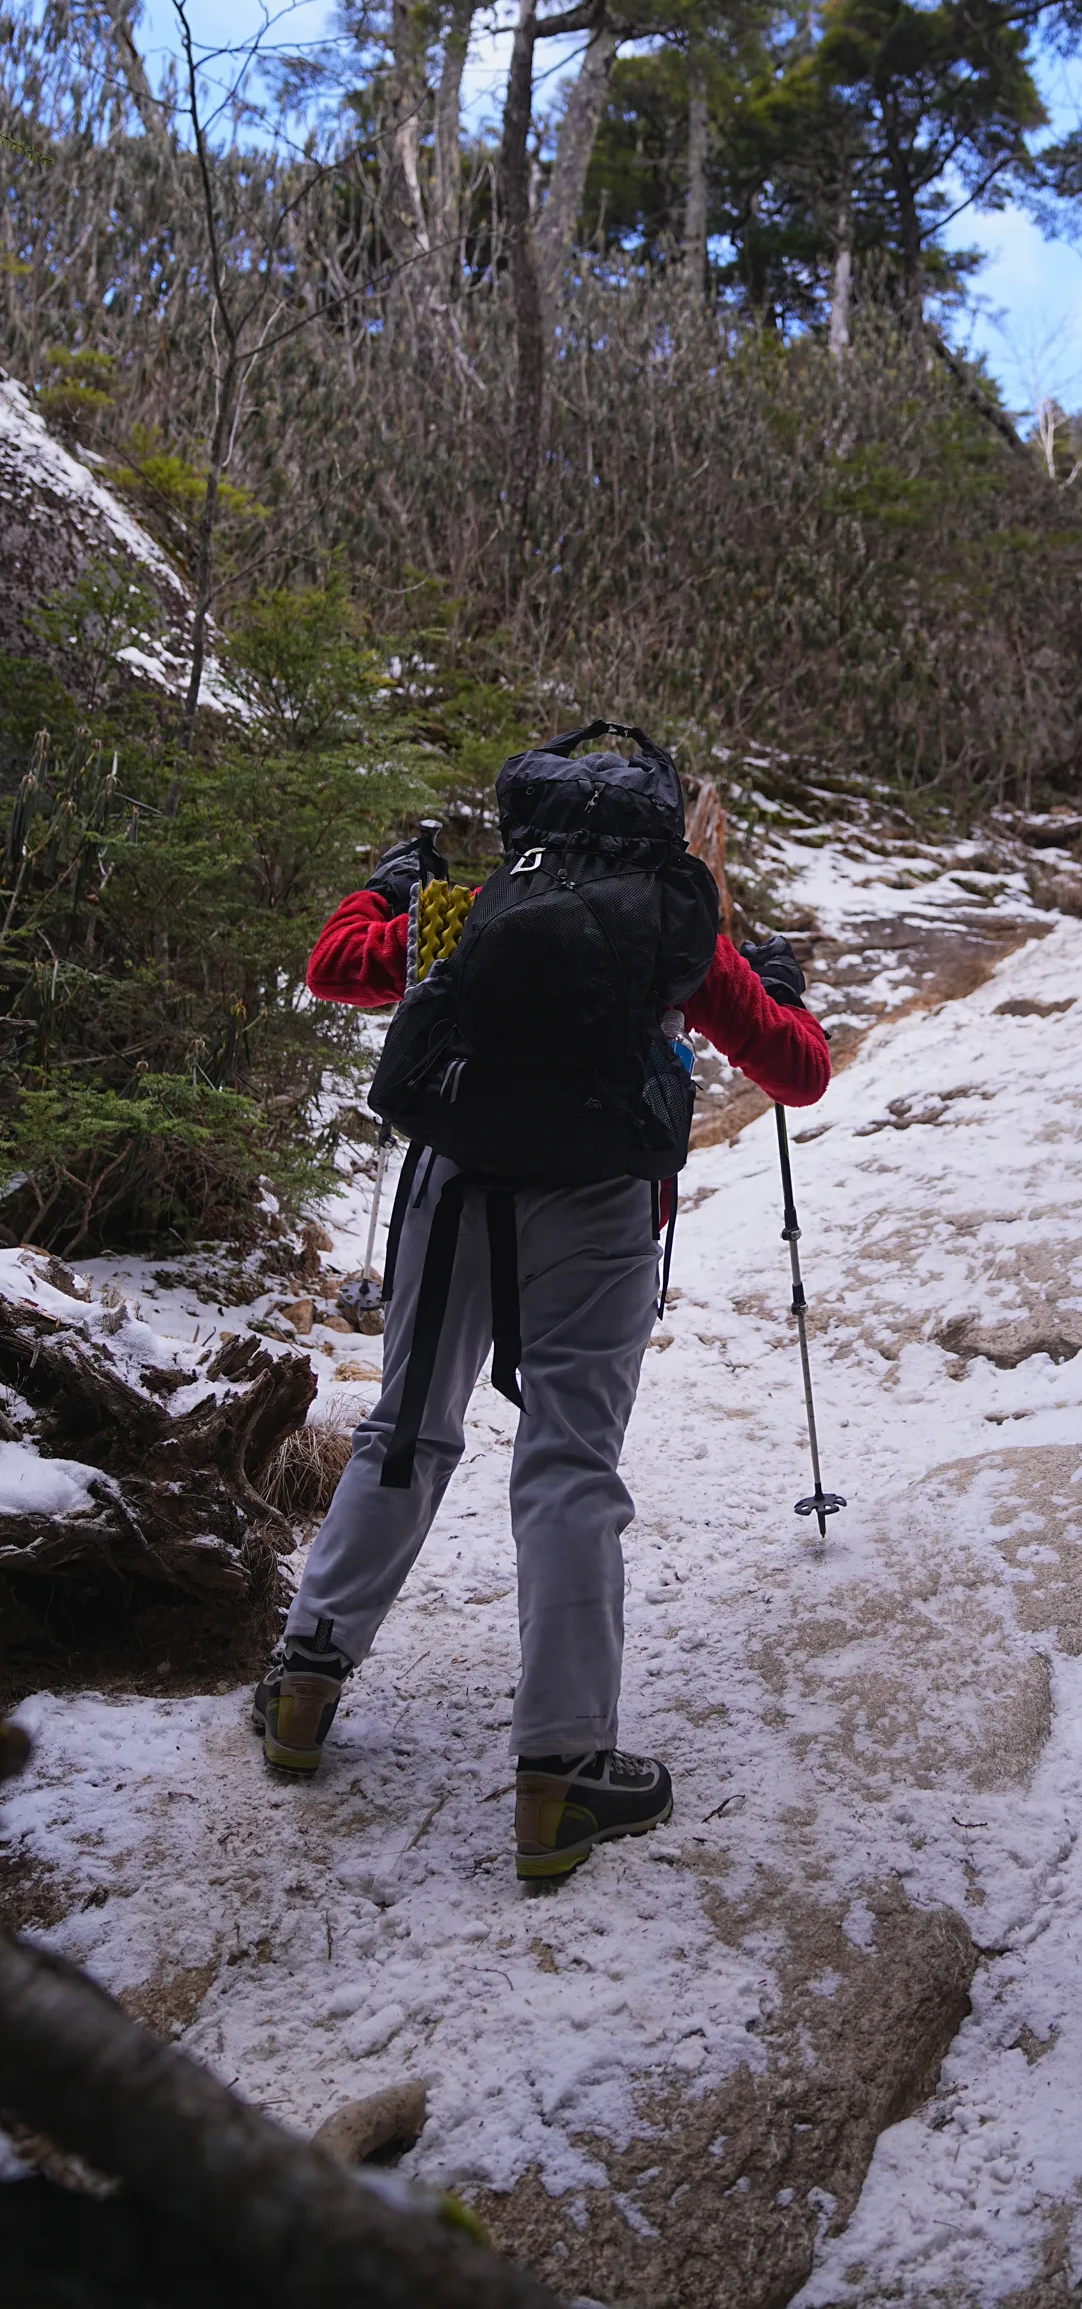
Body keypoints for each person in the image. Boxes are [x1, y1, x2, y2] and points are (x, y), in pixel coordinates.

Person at [253, 759, 829, 1885]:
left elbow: (333, 969)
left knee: (405, 1431)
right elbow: (795, 1073)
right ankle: (561, 1778)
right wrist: (781, 984)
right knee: (569, 1464)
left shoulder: (480, 904)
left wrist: (384, 891)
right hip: (604, 1208)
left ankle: (304, 1690)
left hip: (455, 1179)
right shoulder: (675, 925)